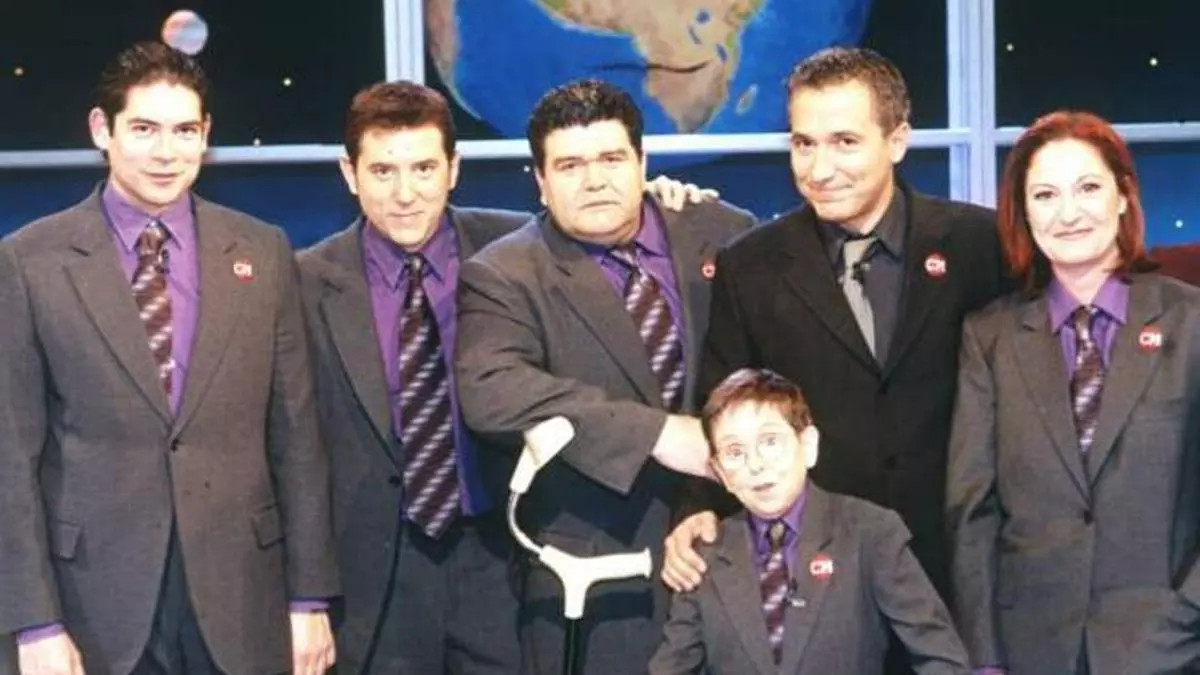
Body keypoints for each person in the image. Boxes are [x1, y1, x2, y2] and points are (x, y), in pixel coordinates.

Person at [297, 79, 718, 675]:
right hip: (371, 571)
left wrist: (661, 199)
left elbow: (600, 216)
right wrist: (306, 596)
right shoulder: (303, 282)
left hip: (501, 558)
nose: (405, 193)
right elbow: (290, 447)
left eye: (423, 168)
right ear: (350, 173)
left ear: (453, 169)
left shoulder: (516, 246)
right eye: (383, 171)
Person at [0, 42, 338, 675]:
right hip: (93, 606)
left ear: (206, 135)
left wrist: (309, 599)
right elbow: (9, 457)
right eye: (144, 129)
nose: (166, 152)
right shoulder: (28, 262)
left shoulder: (262, 252)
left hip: (243, 598)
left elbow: (297, 437)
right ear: (101, 129)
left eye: (184, 131)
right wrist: (33, 621)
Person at [661, 45, 1006, 645]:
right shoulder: (752, 266)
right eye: (804, 144)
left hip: (965, 570)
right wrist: (697, 507)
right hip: (824, 585)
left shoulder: (981, 244)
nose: (819, 169)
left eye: (844, 142)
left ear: (897, 140)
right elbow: (722, 405)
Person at [454, 78, 755, 674]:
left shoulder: (724, 231)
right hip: (601, 582)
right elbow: (492, 392)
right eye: (570, 165)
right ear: (541, 182)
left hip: (736, 554)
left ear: (642, 162)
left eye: (612, 159)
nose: (594, 180)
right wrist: (657, 434)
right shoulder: (505, 273)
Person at [945, 110, 1200, 675]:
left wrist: (1187, 617)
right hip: (1031, 648)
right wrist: (985, 657)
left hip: (1171, 645)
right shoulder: (989, 337)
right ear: (1023, 212)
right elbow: (972, 511)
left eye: (1087, 188)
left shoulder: (1191, 323)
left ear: (1123, 196)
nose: (1068, 213)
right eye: (1045, 195)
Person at [649, 368, 971, 675]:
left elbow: (941, 657)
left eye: (770, 442)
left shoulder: (869, 532)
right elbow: (671, 666)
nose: (756, 465)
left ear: (808, 445)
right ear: (720, 472)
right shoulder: (706, 555)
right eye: (735, 452)